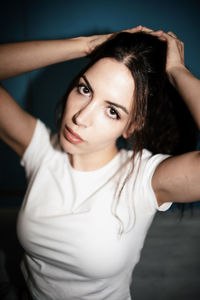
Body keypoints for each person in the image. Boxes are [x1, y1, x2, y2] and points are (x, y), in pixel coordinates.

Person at [0, 25, 199, 300]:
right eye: (84, 89)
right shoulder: (42, 151)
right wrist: (84, 45)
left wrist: (177, 72)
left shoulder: (143, 179)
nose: (81, 117)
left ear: (133, 126)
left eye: (112, 111)